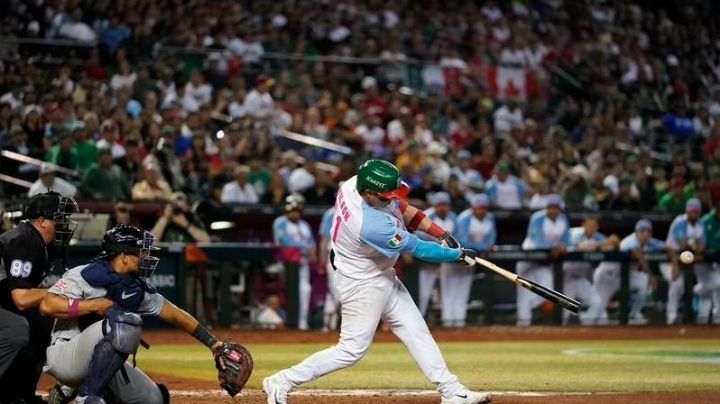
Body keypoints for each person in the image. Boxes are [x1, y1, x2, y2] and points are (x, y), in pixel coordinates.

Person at [263, 160, 491, 404]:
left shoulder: (356, 183)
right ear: (368, 193)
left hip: (378, 271)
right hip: (361, 282)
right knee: (351, 350)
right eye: (384, 196)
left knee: (416, 330)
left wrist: (441, 233)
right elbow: (420, 249)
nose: (389, 200)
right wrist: (458, 255)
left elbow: (402, 207)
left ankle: (451, 391)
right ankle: (282, 380)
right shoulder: (369, 224)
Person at [40, 225, 231, 403]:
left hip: (102, 361)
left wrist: (213, 344)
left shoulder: (134, 288)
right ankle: (85, 395)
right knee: (126, 323)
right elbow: (48, 306)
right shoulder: (82, 276)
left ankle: (77, 392)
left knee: (154, 399)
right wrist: (92, 306)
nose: (146, 257)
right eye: (141, 252)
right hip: (65, 356)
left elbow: (174, 314)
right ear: (124, 256)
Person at [0, 191, 78, 403]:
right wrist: (60, 289)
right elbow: (22, 299)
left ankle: (18, 395)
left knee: (42, 323)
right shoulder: (24, 241)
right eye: (60, 218)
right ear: (42, 221)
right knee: (19, 328)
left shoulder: (36, 241)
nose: (65, 223)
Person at [593, 219, 667, 325]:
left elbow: (667, 246)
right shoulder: (630, 241)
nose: (645, 234)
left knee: (646, 283)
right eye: (642, 232)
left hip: (626, 275)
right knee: (598, 313)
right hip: (607, 276)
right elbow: (636, 254)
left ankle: (634, 314)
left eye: (648, 232)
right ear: (636, 232)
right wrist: (650, 275)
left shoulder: (649, 241)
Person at [515, 195, 569, 326]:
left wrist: (562, 246)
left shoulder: (563, 219)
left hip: (544, 262)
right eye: (551, 207)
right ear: (546, 208)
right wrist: (555, 247)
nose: (553, 210)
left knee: (548, 289)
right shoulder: (538, 218)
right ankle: (523, 325)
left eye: (556, 208)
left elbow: (567, 240)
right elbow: (538, 241)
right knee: (523, 291)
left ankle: (531, 308)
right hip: (529, 258)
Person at [562, 217, 618, 325]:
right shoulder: (574, 233)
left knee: (596, 303)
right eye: (589, 225)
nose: (591, 228)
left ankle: (585, 328)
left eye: (594, 226)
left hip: (580, 279)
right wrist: (604, 243)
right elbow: (580, 247)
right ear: (583, 225)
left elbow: (610, 246)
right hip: (565, 278)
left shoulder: (598, 237)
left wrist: (613, 243)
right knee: (564, 312)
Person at [272, 194, 316, 330]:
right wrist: (304, 247)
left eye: (297, 211)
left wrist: (312, 252)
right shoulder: (280, 222)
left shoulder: (304, 225)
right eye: (292, 210)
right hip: (284, 263)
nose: (295, 213)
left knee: (305, 290)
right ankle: (290, 321)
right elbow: (283, 240)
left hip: (302, 263)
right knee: (289, 292)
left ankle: (302, 322)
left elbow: (311, 242)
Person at [452, 194, 496, 328]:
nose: (481, 210)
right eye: (478, 208)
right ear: (473, 208)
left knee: (464, 289)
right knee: (451, 290)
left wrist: (487, 247)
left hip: (472, 258)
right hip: (457, 256)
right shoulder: (464, 218)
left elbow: (491, 238)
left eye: (483, 208)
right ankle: (447, 321)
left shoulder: (490, 218)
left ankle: (459, 321)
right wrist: (482, 248)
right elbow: (461, 240)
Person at [416, 192, 458, 320]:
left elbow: (456, 239)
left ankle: (448, 321)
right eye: (440, 205)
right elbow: (417, 237)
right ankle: (418, 320)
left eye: (445, 205)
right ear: (435, 205)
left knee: (447, 293)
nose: (443, 207)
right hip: (425, 260)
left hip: (444, 260)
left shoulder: (453, 218)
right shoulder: (427, 216)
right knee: (423, 294)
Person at [662, 199, 704, 324]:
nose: (694, 214)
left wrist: (693, 247)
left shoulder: (701, 224)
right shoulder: (679, 222)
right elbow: (674, 246)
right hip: (670, 259)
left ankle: (696, 314)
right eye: (691, 211)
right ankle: (672, 315)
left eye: (696, 212)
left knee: (709, 283)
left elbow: (701, 248)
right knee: (677, 284)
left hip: (688, 260)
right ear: (687, 211)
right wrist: (675, 267)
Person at [318, 205, 339, 332]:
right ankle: (331, 324)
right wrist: (322, 261)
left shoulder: (359, 210)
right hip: (334, 255)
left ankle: (330, 325)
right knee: (335, 291)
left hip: (350, 256)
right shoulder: (331, 213)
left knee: (335, 292)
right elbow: (325, 239)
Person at [699, 205, 720, 324]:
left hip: (716, 259)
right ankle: (704, 314)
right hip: (702, 260)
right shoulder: (706, 220)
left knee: (718, 285)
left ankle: (717, 315)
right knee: (712, 284)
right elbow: (708, 242)